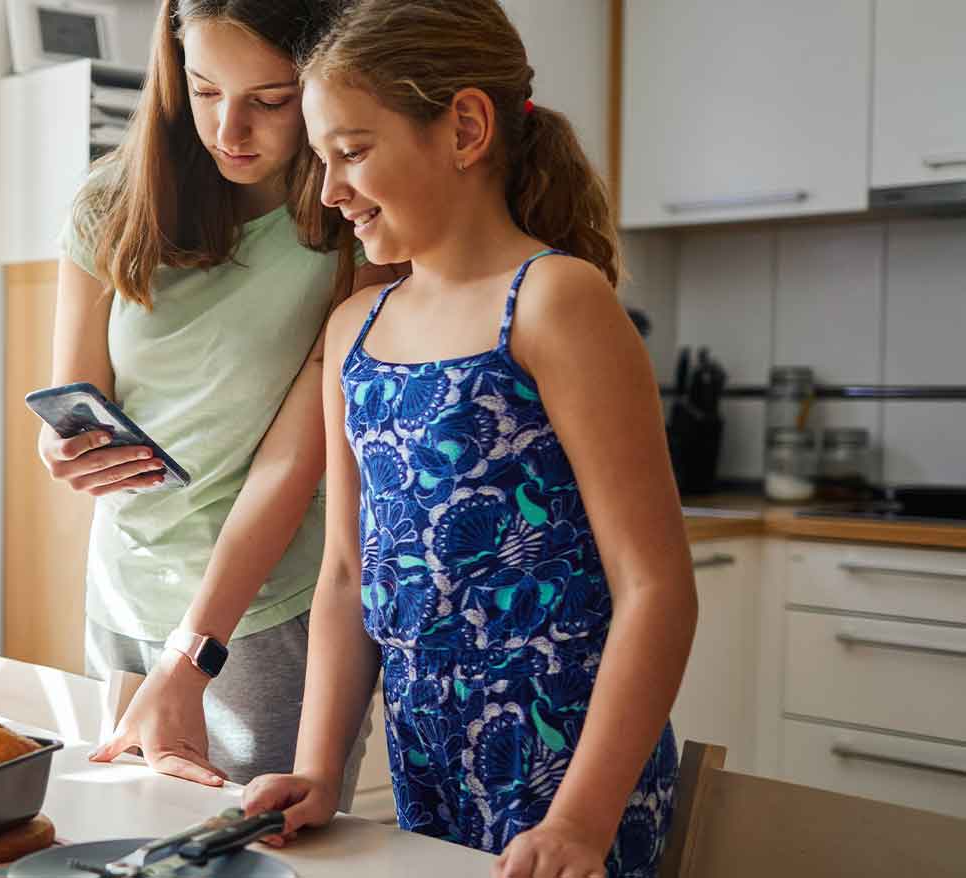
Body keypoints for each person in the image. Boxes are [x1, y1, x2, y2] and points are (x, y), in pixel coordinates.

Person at [242, 2, 698, 876]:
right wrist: (316, 770)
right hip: (428, 774)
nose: (330, 190)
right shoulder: (354, 327)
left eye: (353, 150)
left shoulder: (552, 300)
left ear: (464, 127)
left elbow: (656, 588)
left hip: (568, 780)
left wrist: (582, 822)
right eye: (321, 159)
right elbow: (345, 577)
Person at [41, 0, 397, 797]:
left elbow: (293, 465)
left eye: (270, 101)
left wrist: (195, 650)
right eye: (205, 92)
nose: (230, 131)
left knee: (265, 852)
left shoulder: (353, 227)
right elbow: (78, 390)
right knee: (132, 838)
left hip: (267, 610)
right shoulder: (109, 201)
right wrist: (62, 447)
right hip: (123, 590)